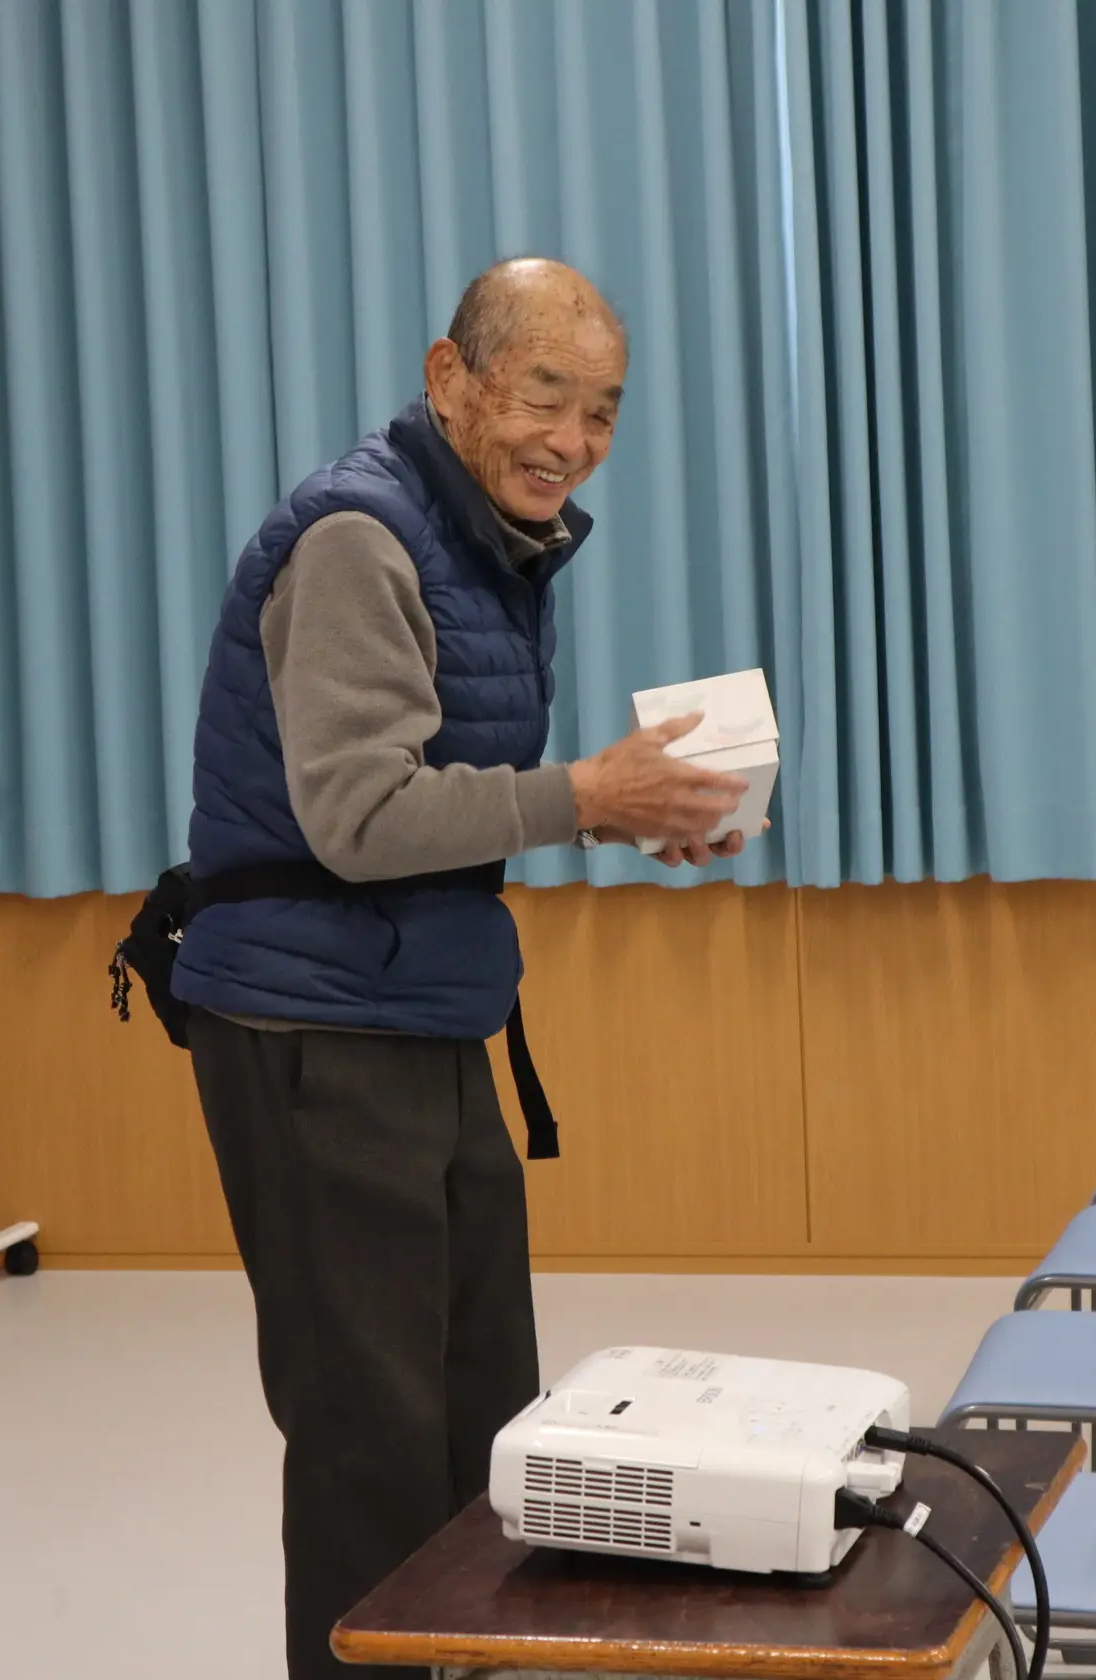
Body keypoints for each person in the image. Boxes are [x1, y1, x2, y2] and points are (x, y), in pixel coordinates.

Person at [172, 257, 750, 1679]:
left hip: (421, 1007)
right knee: (367, 1432)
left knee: (485, 1407)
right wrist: (584, 796)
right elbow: (359, 818)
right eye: (545, 395)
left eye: (602, 411)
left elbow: (453, 799)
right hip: (310, 1026)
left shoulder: (483, 538)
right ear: (451, 379)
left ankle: (464, 1656)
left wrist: (624, 816)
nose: (574, 440)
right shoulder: (358, 538)